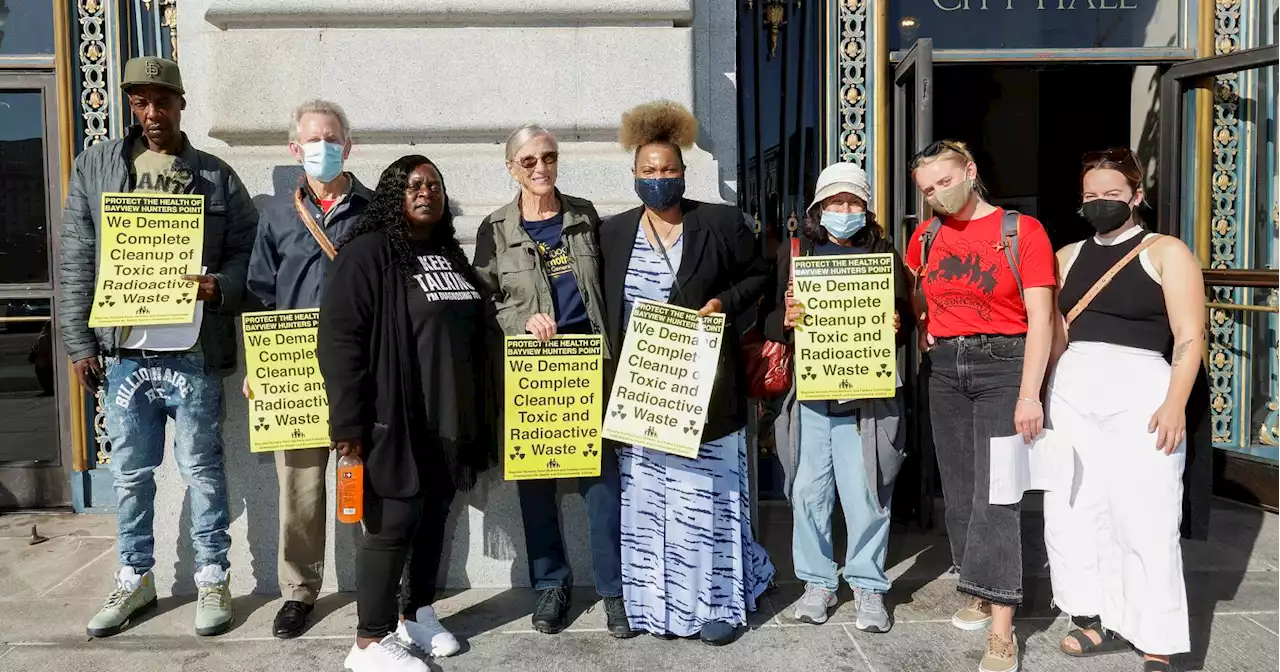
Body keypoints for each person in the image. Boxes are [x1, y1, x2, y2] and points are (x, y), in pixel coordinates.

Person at [58, 57, 256, 638]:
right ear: (129, 105)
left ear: (181, 103)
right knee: (129, 473)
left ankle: (213, 575)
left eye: (161, 102)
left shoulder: (215, 176)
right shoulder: (96, 167)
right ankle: (134, 576)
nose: (151, 114)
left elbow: (249, 252)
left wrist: (222, 286)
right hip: (123, 354)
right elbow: (76, 258)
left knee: (202, 469)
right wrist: (77, 340)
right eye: (140, 102)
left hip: (192, 350)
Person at [600, 100, 775, 645]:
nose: (658, 179)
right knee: (651, 504)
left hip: (708, 393)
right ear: (633, 175)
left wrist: (723, 302)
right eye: (648, 171)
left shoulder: (719, 222)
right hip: (644, 393)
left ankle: (718, 601)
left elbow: (760, 275)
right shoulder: (611, 233)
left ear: (683, 172)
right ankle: (656, 606)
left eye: (668, 170)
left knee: (706, 499)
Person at [318, 155, 494, 672]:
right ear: (395, 194)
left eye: (434, 185)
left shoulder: (448, 253)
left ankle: (415, 614)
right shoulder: (368, 253)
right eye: (414, 185)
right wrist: (348, 426)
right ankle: (369, 642)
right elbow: (340, 342)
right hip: (392, 418)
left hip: (448, 419)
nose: (426, 193)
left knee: (434, 518)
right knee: (391, 524)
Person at [1044, 148, 1202, 672]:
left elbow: (1189, 335)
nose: (1101, 203)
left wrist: (1176, 401)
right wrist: (1037, 398)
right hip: (1073, 390)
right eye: (1091, 196)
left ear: (1137, 196)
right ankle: (1090, 615)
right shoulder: (1066, 256)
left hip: (1142, 390)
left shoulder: (1165, 252)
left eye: (1112, 194)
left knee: (1147, 512)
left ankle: (1154, 632)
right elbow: (1058, 336)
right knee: (1074, 510)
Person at [472, 125, 633, 638]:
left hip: (588, 370)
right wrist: (518, 323)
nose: (540, 168)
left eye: (548, 157)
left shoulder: (584, 217)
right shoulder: (494, 228)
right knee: (536, 488)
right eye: (527, 161)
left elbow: (609, 285)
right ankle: (552, 586)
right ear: (511, 168)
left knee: (602, 487)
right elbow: (481, 301)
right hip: (531, 376)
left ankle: (613, 591)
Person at [904, 140, 1056, 672]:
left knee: (998, 492)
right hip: (945, 367)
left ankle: (1001, 627)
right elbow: (919, 294)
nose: (937, 195)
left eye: (944, 181)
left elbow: (1041, 316)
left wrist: (1029, 393)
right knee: (961, 488)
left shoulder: (1021, 231)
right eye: (926, 189)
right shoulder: (924, 237)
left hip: (1003, 362)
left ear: (969, 171)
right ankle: (977, 588)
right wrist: (923, 327)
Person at [244, 99, 375, 640]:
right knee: (299, 490)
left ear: (348, 145)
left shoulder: (373, 210)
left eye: (332, 138)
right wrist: (260, 368)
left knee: (368, 480)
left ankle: (380, 582)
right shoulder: (277, 213)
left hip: (360, 369)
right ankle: (298, 592)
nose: (322, 148)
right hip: (292, 373)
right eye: (311, 140)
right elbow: (259, 295)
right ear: (295, 149)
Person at [764, 162, 912, 632]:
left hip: (866, 400)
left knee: (866, 492)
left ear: (866, 208)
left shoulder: (887, 257)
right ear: (818, 208)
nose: (843, 210)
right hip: (811, 397)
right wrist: (785, 319)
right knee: (808, 491)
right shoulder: (797, 254)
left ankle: (868, 586)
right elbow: (768, 322)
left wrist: (896, 325)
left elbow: (904, 321)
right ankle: (817, 582)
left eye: (852, 202)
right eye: (834, 202)